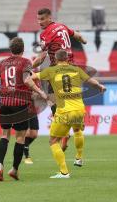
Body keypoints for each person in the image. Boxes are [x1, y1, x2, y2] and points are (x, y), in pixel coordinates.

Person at [25, 49, 106, 178]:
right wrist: (100, 86)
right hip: (79, 109)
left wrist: (38, 90)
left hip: (64, 111)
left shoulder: (51, 71)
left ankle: (64, 172)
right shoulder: (76, 69)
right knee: (78, 130)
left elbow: (29, 79)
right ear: (67, 59)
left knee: (53, 141)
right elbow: (91, 81)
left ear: (56, 59)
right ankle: (79, 157)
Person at [0, 37, 46, 181]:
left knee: (4, 135)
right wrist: (40, 92)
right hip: (21, 103)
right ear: (22, 49)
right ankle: (14, 169)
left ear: (10, 49)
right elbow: (27, 79)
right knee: (20, 137)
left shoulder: (2, 63)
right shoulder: (25, 62)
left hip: (5, 103)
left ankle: (0, 165)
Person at [32, 8, 87, 151]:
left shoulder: (46, 33)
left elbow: (42, 57)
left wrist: (29, 67)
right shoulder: (62, 26)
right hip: (72, 69)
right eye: (38, 19)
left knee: (51, 99)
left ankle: (64, 131)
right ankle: (76, 124)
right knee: (72, 98)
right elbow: (78, 36)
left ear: (50, 17)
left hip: (58, 70)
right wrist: (84, 40)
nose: (39, 22)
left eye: (42, 19)